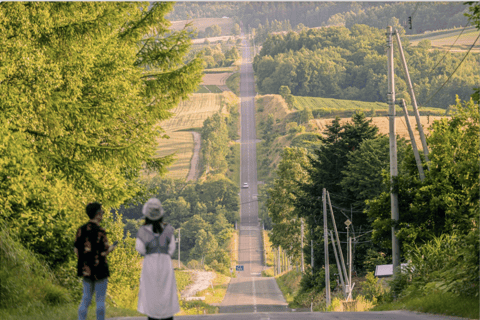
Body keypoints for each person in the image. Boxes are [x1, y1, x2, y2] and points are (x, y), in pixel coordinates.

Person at [136, 198, 179, 320]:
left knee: (151, 292)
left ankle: (153, 316)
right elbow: (171, 248)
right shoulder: (168, 229)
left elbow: (140, 248)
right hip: (165, 262)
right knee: (166, 291)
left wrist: (150, 252)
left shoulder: (143, 230)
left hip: (150, 262)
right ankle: (167, 316)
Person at [74, 202, 116, 320]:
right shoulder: (100, 231)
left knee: (86, 298)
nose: (102, 214)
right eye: (102, 212)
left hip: (86, 269)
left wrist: (84, 261)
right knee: (100, 300)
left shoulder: (81, 230)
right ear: (97, 214)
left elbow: (76, 250)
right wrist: (113, 247)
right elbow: (105, 251)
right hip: (100, 269)